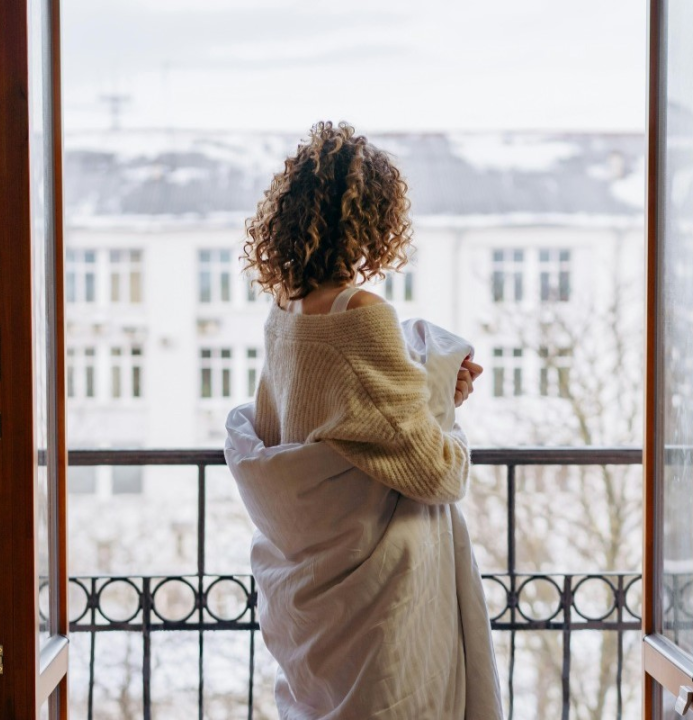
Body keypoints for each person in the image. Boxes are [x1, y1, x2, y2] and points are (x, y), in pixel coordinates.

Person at [225, 121, 503, 719]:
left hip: (311, 602)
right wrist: (446, 416)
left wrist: (427, 392)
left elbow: (336, 417)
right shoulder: (361, 313)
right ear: (375, 219)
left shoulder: (286, 311)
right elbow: (437, 473)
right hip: (376, 609)